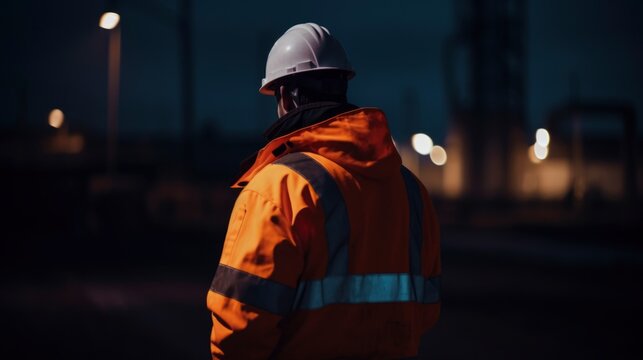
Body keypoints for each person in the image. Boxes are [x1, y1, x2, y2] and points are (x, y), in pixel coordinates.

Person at [207, 23, 441, 359]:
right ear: (342, 87)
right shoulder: (411, 191)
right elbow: (427, 308)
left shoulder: (278, 189)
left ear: (286, 96)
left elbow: (239, 328)